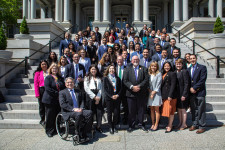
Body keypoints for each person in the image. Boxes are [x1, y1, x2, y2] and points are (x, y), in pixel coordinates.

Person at [59, 77, 92, 141]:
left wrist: (81, 108)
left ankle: (84, 131)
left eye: (71, 82)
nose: (70, 83)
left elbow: (82, 101)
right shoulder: (62, 92)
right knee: (79, 114)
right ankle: (78, 132)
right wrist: (74, 109)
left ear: (74, 83)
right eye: (68, 82)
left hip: (79, 110)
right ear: (65, 84)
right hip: (69, 111)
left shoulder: (78, 91)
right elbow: (63, 104)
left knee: (89, 112)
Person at [123, 55, 149, 133]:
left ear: (139, 60)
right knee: (131, 111)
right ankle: (131, 125)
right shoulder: (127, 69)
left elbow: (146, 79)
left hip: (141, 93)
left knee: (141, 110)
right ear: (131, 61)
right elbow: (125, 80)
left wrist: (139, 86)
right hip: (131, 93)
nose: (135, 61)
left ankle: (141, 124)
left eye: (137, 59)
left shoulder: (144, 69)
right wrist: (132, 87)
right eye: (134, 59)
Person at [42, 63, 65, 137]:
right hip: (49, 99)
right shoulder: (48, 77)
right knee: (50, 116)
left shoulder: (60, 78)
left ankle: (57, 129)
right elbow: (48, 89)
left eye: (56, 68)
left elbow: (63, 87)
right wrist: (58, 94)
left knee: (57, 115)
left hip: (57, 100)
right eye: (53, 68)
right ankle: (49, 130)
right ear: (51, 69)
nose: (55, 70)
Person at [188, 54, 207, 134]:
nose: (192, 60)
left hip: (200, 92)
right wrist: (190, 89)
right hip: (191, 93)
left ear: (196, 59)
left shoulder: (202, 68)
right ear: (189, 60)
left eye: (193, 58)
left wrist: (195, 88)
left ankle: (202, 126)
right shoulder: (188, 69)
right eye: (191, 58)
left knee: (201, 109)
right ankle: (194, 124)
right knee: (193, 109)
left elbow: (202, 80)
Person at [84, 65, 103, 133]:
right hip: (90, 96)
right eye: (92, 69)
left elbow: (101, 88)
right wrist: (94, 97)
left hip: (98, 95)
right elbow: (86, 88)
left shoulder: (99, 77)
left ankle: (99, 126)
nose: (93, 71)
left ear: (97, 70)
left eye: (95, 69)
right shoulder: (87, 78)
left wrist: (98, 97)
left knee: (99, 112)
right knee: (91, 111)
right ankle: (91, 126)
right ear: (90, 70)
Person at [103, 64, 122, 134]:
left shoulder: (118, 78)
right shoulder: (106, 78)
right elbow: (105, 89)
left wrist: (117, 95)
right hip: (109, 98)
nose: (112, 70)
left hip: (117, 98)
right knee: (109, 113)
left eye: (113, 69)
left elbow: (120, 88)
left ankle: (114, 125)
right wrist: (111, 96)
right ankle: (110, 127)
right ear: (108, 70)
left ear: (115, 70)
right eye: (110, 69)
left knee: (116, 112)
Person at [161, 62, 177, 133]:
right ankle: (169, 124)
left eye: (168, 66)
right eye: (165, 66)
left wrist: (170, 95)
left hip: (171, 96)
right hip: (165, 96)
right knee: (168, 111)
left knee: (171, 111)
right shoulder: (163, 74)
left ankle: (170, 126)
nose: (166, 67)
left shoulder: (172, 73)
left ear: (170, 67)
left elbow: (173, 85)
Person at [175, 59, 190, 130]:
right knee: (179, 109)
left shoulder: (184, 71)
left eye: (179, 64)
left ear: (182, 64)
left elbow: (187, 84)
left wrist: (184, 94)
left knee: (183, 109)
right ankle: (180, 123)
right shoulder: (175, 72)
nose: (178, 65)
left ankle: (184, 124)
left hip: (183, 93)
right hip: (177, 94)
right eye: (177, 64)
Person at [34, 60, 49, 127]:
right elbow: (35, 84)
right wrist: (37, 94)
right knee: (42, 106)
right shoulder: (38, 73)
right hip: (41, 90)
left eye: (45, 64)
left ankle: (48, 119)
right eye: (42, 64)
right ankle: (42, 119)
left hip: (48, 90)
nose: (44, 65)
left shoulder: (49, 72)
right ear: (40, 65)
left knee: (48, 106)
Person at [147, 61, 162, 131]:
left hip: (156, 94)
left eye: (155, 66)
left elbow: (158, 85)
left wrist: (153, 93)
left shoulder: (159, 74)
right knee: (151, 109)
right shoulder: (149, 74)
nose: (153, 67)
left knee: (157, 109)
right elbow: (148, 84)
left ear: (157, 67)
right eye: (152, 66)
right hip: (150, 93)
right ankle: (152, 123)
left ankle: (156, 124)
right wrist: (150, 92)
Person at [116, 56, 128, 125]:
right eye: (118, 60)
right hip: (116, 91)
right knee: (117, 106)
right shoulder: (114, 68)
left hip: (125, 91)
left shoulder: (127, 68)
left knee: (125, 106)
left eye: (121, 60)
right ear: (116, 60)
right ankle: (117, 120)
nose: (119, 61)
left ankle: (125, 120)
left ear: (123, 60)